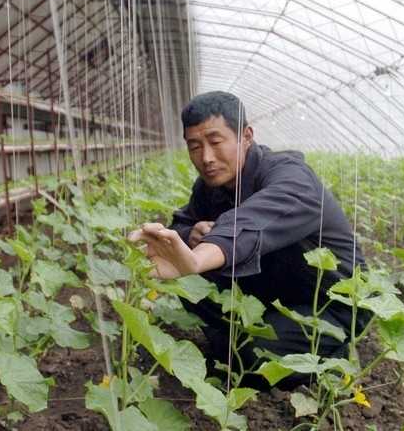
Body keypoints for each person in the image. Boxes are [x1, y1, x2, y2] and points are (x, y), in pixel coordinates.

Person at [129, 91, 369, 387]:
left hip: (327, 303)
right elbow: (185, 220)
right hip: (274, 294)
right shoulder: (208, 187)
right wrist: (188, 236)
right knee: (195, 289)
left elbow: (252, 221)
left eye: (216, 143)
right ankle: (236, 341)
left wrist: (199, 256)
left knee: (252, 361)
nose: (206, 158)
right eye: (194, 146)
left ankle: (335, 352)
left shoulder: (290, 176)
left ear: (246, 136)